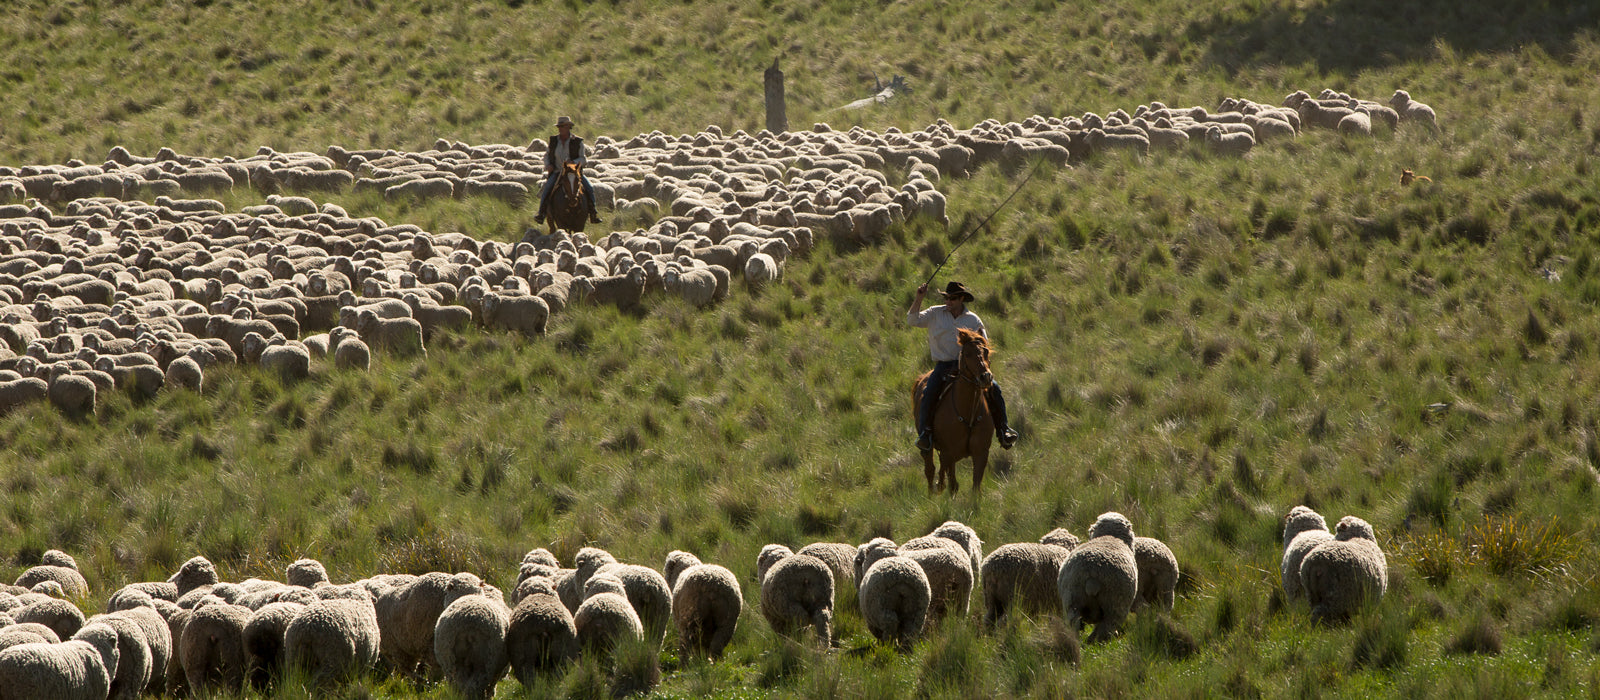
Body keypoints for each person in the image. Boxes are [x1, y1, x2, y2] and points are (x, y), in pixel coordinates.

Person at [908, 280, 1019, 452]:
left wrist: (981, 365)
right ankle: (925, 434)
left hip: (968, 366)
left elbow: (985, 346)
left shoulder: (973, 320)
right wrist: (919, 298)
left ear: (961, 299)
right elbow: (912, 320)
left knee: (995, 389)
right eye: (947, 298)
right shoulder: (935, 313)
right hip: (943, 365)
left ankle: (1003, 430)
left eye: (952, 299)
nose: (948, 302)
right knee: (929, 392)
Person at [532, 116, 602, 225]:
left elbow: (583, 159)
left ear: (569, 127)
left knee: (589, 188)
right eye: (559, 126)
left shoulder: (577, 142)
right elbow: (546, 156)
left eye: (563, 126)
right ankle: (541, 213)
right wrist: (548, 165)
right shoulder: (554, 141)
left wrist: (573, 163)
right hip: (557, 172)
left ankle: (593, 213)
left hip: (573, 173)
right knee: (546, 189)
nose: (560, 129)